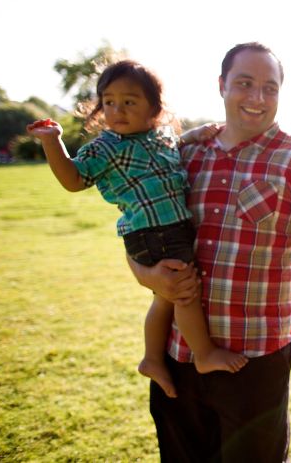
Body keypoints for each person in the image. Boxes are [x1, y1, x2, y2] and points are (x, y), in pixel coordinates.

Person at [127, 42, 291, 462]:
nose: (257, 98)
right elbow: (140, 228)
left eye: (270, 88)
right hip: (178, 357)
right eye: (244, 84)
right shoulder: (185, 155)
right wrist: (146, 276)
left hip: (255, 363)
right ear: (221, 86)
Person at [27, 60, 248, 401]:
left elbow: (171, 148)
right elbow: (73, 179)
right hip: (153, 233)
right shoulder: (107, 148)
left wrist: (193, 135)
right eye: (109, 101)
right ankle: (204, 355)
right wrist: (53, 142)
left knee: (166, 297)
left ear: (154, 110)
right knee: (185, 292)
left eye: (129, 101)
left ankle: (152, 358)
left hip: (167, 229)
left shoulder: (156, 136)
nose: (117, 110)